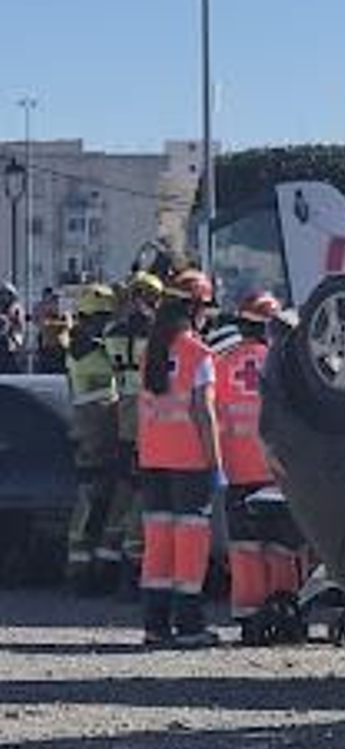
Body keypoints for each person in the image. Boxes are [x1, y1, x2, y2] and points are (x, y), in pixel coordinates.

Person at [137, 269, 224, 649]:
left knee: (158, 544)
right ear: (193, 308)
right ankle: (190, 625)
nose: (207, 315)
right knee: (190, 544)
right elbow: (204, 414)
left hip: (153, 460)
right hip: (190, 462)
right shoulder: (198, 354)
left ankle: (155, 626)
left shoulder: (150, 353)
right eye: (204, 307)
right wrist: (217, 463)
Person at [214, 290, 281, 635]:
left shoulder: (222, 363)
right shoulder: (282, 365)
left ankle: (248, 613)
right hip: (278, 472)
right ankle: (284, 609)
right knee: (283, 546)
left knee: (244, 547)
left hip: (236, 471)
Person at [102, 270, 166, 590]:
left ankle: (109, 563)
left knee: (124, 490)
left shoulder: (113, 329)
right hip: (145, 417)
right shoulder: (151, 330)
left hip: (123, 416)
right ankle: (131, 565)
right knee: (141, 492)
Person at [63, 284, 123, 593]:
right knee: (92, 507)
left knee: (97, 506)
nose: (104, 324)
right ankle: (82, 573)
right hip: (94, 439)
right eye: (101, 318)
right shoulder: (87, 350)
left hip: (93, 438)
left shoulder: (82, 344)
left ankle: (85, 570)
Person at [0, 281, 23, 373]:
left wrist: (6, 321)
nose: (3, 296)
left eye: (6, 294)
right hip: (3, 340)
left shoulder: (16, 307)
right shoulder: (2, 306)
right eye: (2, 293)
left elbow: (19, 325)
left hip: (10, 341)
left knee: (11, 365)